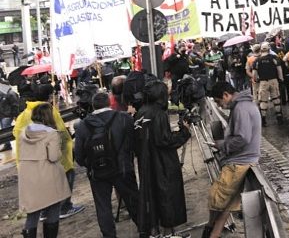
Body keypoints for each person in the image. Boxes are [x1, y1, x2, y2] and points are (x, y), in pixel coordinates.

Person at [13, 84, 85, 219]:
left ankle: (43, 211)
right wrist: (67, 152)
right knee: (67, 177)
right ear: (49, 96)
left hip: (29, 160)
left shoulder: (23, 114)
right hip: (53, 156)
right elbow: (61, 133)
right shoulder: (49, 111)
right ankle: (64, 207)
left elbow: (17, 134)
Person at [74, 92, 140, 238]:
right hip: (123, 169)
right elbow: (134, 143)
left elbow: (78, 155)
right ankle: (144, 229)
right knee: (133, 201)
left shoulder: (83, 125)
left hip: (97, 172)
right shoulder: (124, 118)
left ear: (93, 105)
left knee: (103, 206)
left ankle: (109, 235)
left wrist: (91, 164)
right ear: (109, 102)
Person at [202, 82, 261, 238]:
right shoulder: (244, 105)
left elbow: (242, 138)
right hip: (243, 160)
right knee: (226, 205)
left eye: (218, 101)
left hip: (238, 162)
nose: (219, 105)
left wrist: (221, 145)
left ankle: (208, 230)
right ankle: (212, 234)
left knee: (216, 199)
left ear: (226, 95)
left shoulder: (241, 108)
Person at [134, 81, 192, 236]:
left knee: (152, 197)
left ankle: (155, 231)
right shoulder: (158, 113)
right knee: (167, 197)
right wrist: (184, 132)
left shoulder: (141, 112)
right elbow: (164, 140)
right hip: (162, 164)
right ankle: (168, 232)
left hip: (147, 162)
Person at [17, 103, 71, 238]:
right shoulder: (51, 133)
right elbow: (53, 157)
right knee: (53, 208)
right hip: (48, 176)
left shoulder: (24, 133)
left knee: (33, 212)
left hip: (28, 178)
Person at [253, 44, 284, 125]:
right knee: (276, 99)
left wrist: (256, 80)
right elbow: (279, 69)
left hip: (263, 82)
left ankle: (263, 120)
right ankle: (279, 118)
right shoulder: (274, 58)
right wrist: (281, 79)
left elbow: (254, 74)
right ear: (269, 49)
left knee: (263, 101)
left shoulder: (257, 60)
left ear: (261, 50)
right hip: (274, 80)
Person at [0, 86, 20, 151]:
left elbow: (15, 105)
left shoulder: (11, 93)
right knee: (5, 130)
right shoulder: (3, 93)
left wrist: (15, 115)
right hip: (3, 114)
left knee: (7, 130)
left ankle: (9, 144)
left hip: (7, 115)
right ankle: (7, 144)